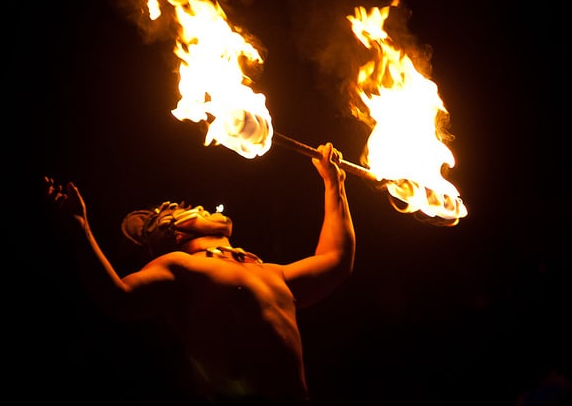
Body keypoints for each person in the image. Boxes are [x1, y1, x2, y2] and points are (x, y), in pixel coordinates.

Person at [43, 142, 355, 406]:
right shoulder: (183, 267)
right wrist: (81, 229)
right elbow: (118, 298)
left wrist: (334, 184)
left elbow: (335, 259)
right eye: (183, 209)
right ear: (173, 232)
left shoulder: (270, 273)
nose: (202, 208)